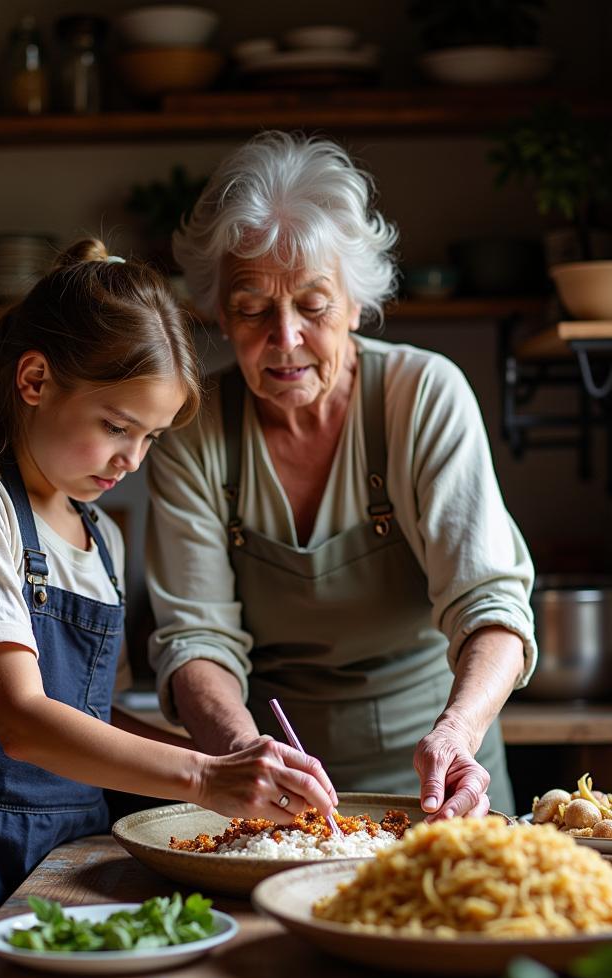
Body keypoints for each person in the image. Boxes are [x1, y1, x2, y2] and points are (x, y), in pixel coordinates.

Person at [0, 240, 338, 978]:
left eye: (150, 438)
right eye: (116, 426)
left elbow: (90, 715)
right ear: (35, 380)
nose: (131, 460)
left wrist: (230, 756)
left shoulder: (97, 535)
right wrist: (208, 783)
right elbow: (24, 721)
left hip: (73, 849)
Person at [146, 133, 537, 823]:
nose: (286, 337)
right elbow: (195, 640)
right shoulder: (193, 429)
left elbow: (492, 605)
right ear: (217, 314)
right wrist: (246, 759)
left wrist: (457, 732)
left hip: (441, 771)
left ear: (356, 303)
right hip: (272, 784)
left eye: (314, 304)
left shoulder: (421, 396)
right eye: (252, 307)